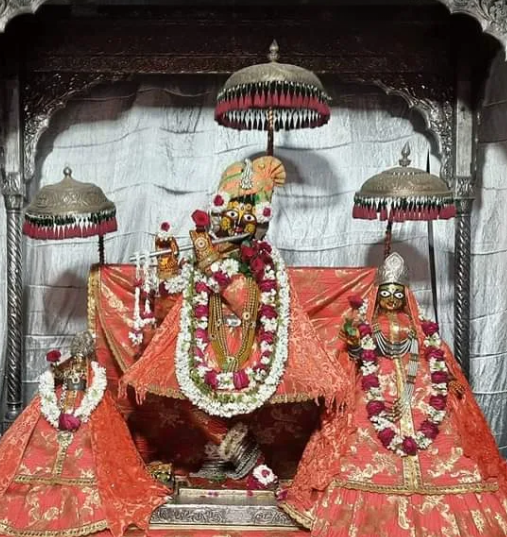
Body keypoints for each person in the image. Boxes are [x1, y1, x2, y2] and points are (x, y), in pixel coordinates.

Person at [121, 156, 347, 486]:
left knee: (251, 405)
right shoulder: (206, 254)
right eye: (231, 216)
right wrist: (169, 266)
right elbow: (173, 307)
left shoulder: (262, 260)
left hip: (251, 346)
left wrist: (212, 263)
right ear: (219, 217)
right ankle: (236, 456)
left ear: (258, 223)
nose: (238, 224)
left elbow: (250, 306)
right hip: (207, 343)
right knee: (187, 398)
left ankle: (250, 462)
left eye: (246, 218)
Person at [283, 252, 507, 536]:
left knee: (443, 431)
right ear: (378, 294)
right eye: (386, 293)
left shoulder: (418, 325)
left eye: (397, 294)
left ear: (406, 297)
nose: (391, 299)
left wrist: (450, 380)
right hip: (374, 384)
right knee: (359, 431)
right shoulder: (367, 323)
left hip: (421, 384)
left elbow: (437, 353)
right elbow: (353, 353)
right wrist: (354, 344)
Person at [0, 331, 170, 537]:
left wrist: (83, 400)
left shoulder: (94, 372)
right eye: (77, 349)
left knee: (91, 442)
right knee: (40, 444)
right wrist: (54, 368)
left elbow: (95, 388)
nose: (79, 354)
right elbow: (55, 377)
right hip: (60, 403)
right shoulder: (67, 366)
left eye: (82, 349)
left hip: (86, 406)